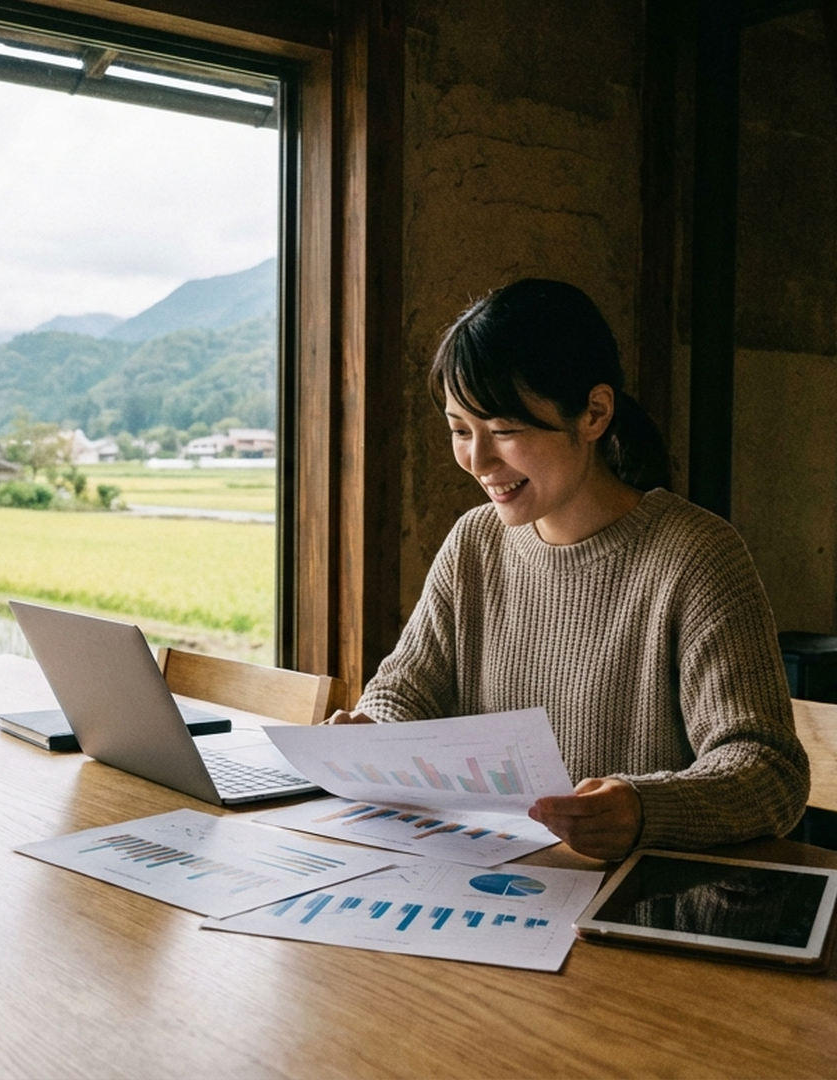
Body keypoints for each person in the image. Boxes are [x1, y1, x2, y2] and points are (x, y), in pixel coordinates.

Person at [325, 279, 808, 860]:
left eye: (504, 430)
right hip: (494, 885)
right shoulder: (474, 544)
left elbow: (768, 770)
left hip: (628, 904)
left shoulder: (696, 556)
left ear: (594, 414)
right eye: (460, 430)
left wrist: (642, 808)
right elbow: (404, 694)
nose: (478, 461)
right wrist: (374, 734)